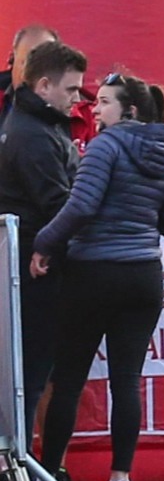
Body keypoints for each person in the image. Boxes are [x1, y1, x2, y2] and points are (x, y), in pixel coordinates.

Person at [28, 71, 164, 481]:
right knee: (126, 382)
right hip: (142, 276)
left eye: (104, 103)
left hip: (93, 272)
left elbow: (82, 205)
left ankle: (51, 477)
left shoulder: (104, 147)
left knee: (69, 378)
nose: (94, 110)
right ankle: (121, 480)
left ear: (128, 110)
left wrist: (44, 244)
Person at [0, 37, 85, 434]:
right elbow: (59, 204)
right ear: (44, 86)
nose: (76, 98)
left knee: (31, 369)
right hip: (32, 268)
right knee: (30, 369)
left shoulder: (37, 126)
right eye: (70, 89)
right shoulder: (33, 134)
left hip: (31, 262)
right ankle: (14, 461)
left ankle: (17, 459)